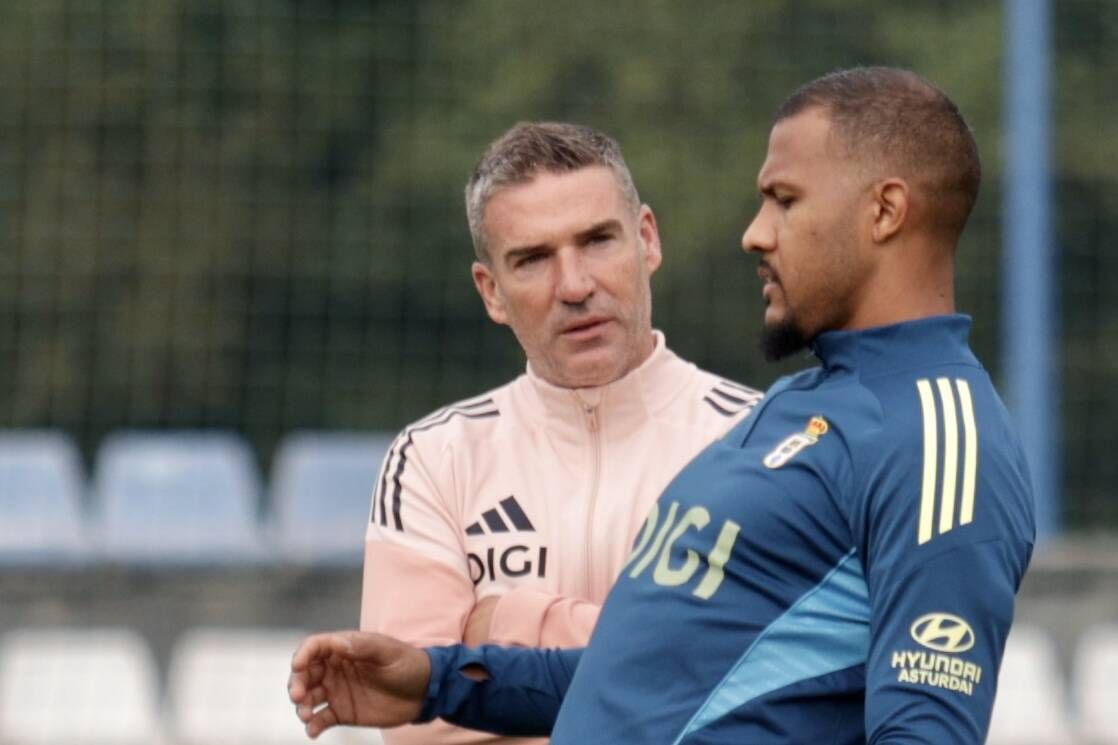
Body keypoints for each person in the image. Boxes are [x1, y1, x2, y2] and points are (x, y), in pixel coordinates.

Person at [290, 67, 1036, 744]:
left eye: (784, 199)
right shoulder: (792, 410)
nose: (756, 233)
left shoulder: (940, 437)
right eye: (534, 258)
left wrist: (506, 623)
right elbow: (645, 670)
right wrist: (437, 678)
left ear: (885, 211)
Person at [361, 121, 761, 744]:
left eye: (598, 241)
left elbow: (765, 696)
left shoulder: (761, 440)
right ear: (490, 291)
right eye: (533, 259)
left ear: (648, 240)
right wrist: (663, 662)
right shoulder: (435, 459)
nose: (574, 286)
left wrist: (510, 625)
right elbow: (421, 728)